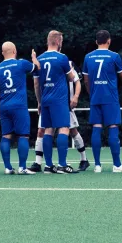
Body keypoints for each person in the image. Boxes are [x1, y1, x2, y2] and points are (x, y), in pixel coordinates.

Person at [82, 30, 122, 173]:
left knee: (96, 128)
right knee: (112, 128)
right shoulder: (114, 56)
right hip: (110, 97)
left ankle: (97, 165)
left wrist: (91, 93)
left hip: (95, 97)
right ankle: (116, 165)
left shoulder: (88, 57)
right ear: (109, 41)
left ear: (96, 41)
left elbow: (86, 80)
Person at [30, 60, 90, 172]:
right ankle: (38, 162)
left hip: (64, 105)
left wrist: (75, 97)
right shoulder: (47, 65)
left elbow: (76, 81)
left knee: (72, 131)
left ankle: (83, 159)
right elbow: (37, 83)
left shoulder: (67, 64)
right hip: (49, 104)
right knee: (42, 131)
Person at [32, 30, 78, 174]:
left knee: (48, 129)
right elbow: (71, 78)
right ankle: (62, 165)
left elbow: (36, 84)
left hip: (45, 99)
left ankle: (48, 166)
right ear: (58, 42)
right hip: (59, 99)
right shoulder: (62, 58)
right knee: (64, 128)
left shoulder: (39, 59)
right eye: (62, 41)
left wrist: (39, 101)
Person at [0, 42, 38, 174]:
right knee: (23, 135)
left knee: (6, 135)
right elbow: (37, 67)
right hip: (19, 106)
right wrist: (34, 58)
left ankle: (7, 167)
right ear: (15, 51)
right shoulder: (21, 63)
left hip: (4, 106)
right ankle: (22, 167)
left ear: (2, 53)